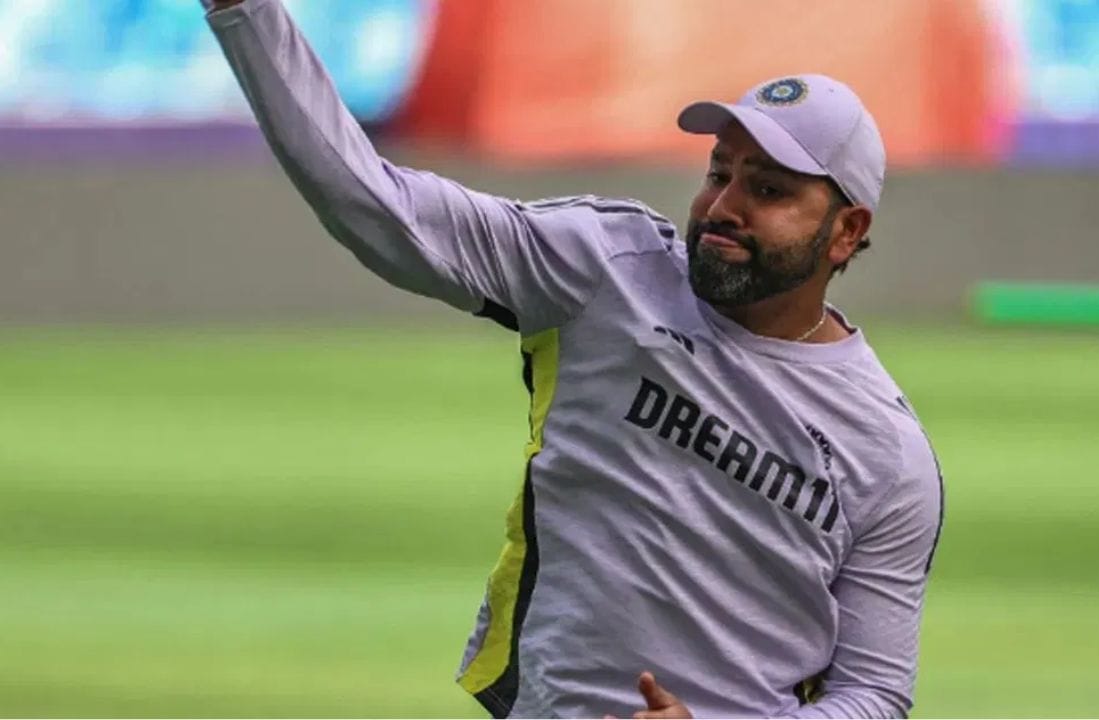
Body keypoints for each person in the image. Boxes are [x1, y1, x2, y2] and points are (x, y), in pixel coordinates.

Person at [202, 0, 944, 717]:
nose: (723, 207)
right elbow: (375, 204)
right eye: (719, 173)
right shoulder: (605, 268)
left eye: (769, 190)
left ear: (846, 232)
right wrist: (244, 9)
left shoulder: (888, 454)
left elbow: (874, 694)